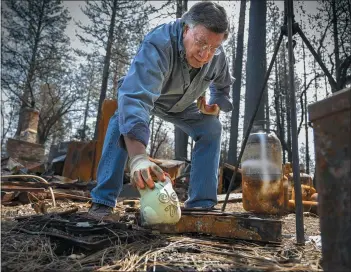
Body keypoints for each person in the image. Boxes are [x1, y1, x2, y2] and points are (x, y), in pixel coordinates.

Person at [89, 1, 234, 220]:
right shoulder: (159, 43)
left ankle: (201, 206)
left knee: (211, 127)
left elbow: (222, 87)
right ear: (186, 28)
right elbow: (136, 98)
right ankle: (102, 201)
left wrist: (216, 104)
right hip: (148, 98)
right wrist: (138, 158)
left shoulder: (217, 55)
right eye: (201, 43)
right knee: (122, 118)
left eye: (213, 48)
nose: (205, 55)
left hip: (183, 106)